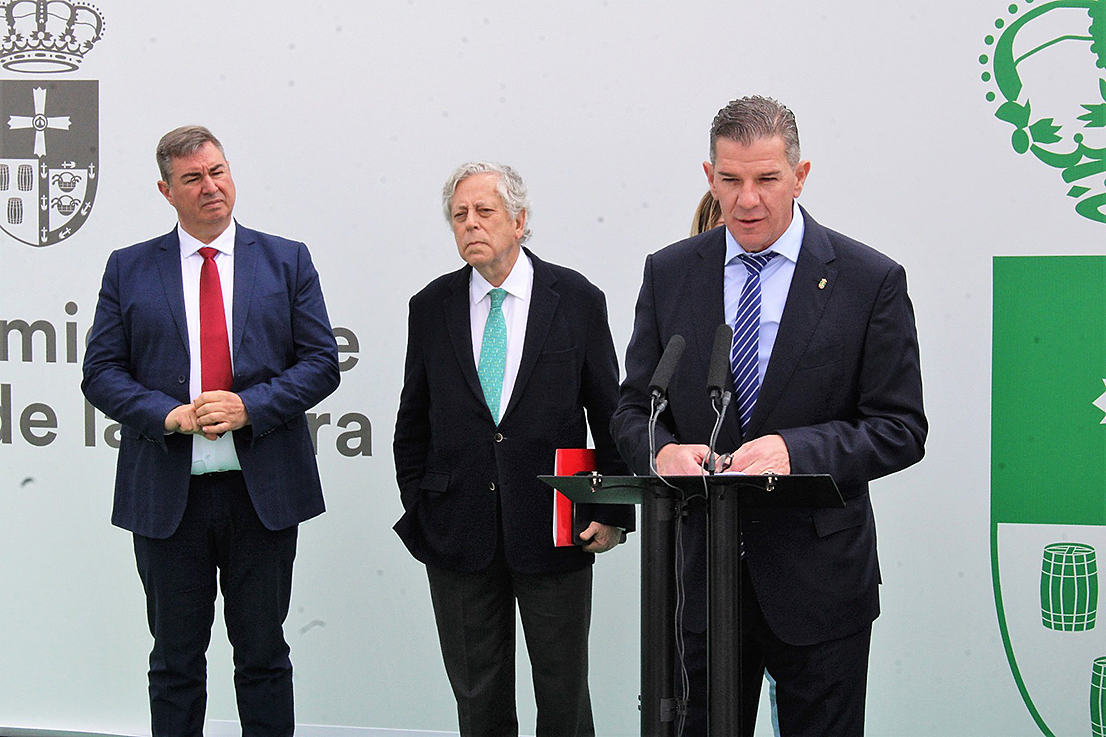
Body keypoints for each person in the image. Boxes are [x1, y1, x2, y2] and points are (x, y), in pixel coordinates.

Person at [611, 96, 927, 736]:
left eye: (766, 180)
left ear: (801, 175)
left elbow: (900, 428)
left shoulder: (869, 280)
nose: (747, 200)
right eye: (729, 180)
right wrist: (661, 451)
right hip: (699, 581)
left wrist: (799, 451)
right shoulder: (670, 273)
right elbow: (636, 406)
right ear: (709, 176)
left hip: (820, 585)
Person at [82, 125, 340, 736]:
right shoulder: (128, 268)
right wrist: (167, 416)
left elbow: (321, 362)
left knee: (264, 660)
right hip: (170, 501)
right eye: (193, 178)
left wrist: (251, 407)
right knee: (174, 664)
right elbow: (100, 372)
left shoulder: (286, 259)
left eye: (218, 172)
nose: (211, 188)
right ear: (166, 191)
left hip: (263, 497)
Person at [393, 161, 634, 737]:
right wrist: (423, 509)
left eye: (484, 211)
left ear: (521, 221)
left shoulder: (575, 299)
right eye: (459, 215)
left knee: (563, 694)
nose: (471, 224)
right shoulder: (431, 307)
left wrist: (610, 511)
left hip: (556, 525)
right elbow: (413, 423)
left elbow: (610, 415)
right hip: (458, 531)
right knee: (477, 699)